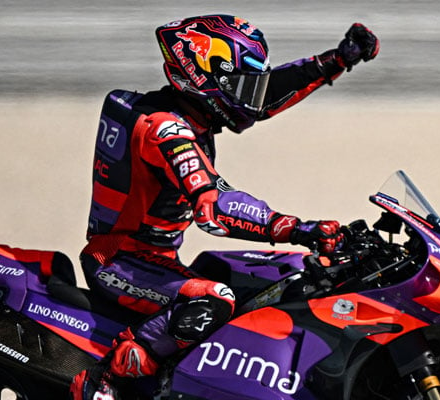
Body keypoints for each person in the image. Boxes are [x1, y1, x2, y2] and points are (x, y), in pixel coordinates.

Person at [70, 14, 379, 400]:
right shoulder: (166, 130)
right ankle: (107, 379)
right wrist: (298, 229)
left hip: (158, 259)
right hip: (119, 262)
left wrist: (336, 60)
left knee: (268, 280)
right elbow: (213, 206)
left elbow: (265, 96)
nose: (252, 98)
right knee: (214, 298)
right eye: (241, 85)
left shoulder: (188, 114)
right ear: (203, 78)